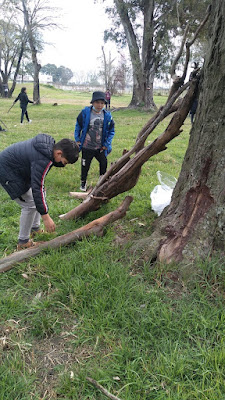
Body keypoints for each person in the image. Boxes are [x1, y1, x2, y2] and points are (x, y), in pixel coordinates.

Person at [0, 134, 79, 250]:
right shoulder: (43, 159)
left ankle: (35, 229)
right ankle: (23, 242)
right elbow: (37, 187)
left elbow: (39, 183)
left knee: (41, 194)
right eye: (65, 162)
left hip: (17, 170)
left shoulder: (48, 149)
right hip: (7, 171)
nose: (63, 165)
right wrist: (46, 217)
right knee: (29, 204)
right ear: (59, 153)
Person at [74, 91, 115, 192]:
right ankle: (83, 182)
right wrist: (78, 140)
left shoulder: (107, 116)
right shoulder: (85, 113)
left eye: (102, 103)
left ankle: (102, 181)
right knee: (85, 165)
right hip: (87, 146)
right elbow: (78, 126)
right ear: (92, 103)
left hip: (100, 147)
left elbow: (111, 130)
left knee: (103, 163)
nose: (100, 105)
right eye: (97, 102)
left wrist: (106, 144)